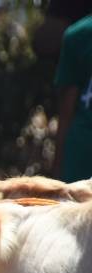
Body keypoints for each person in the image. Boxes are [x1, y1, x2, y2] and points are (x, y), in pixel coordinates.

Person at [54, 13, 92, 182]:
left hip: (80, 159)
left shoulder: (78, 34)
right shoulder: (78, 35)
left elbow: (66, 114)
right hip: (81, 163)